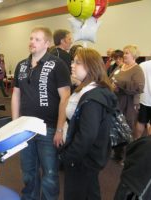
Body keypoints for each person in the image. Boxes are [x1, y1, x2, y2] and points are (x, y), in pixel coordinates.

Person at [11, 27, 71, 200]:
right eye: (31, 38)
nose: (32, 42)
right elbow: (16, 94)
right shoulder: (21, 65)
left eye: (37, 39)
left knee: (50, 173)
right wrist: (15, 124)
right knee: (28, 171)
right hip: (25, 128)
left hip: (49, 128)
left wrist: (60, 129)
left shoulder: (57, 65)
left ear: (47, 43)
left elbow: (65, 97)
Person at [59, 48, 117, 200]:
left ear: (91, 67)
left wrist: (68, 156)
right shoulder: (86, 90)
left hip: (84, 158)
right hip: (83, 156)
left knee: (81, 193)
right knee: (89, 192)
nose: (72, 65)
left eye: (77, 62)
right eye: (73, 61)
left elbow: (87, 135)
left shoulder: (93, 97)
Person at [110, 45, 145, 163]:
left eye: (127, 53)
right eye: (124, 52)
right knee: (116, 126)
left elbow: (138, 87)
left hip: (128, 104)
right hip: (116, 101)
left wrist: (119, 85)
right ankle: (117, 153)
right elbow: (111, 79)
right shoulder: (120, 67)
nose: (124, 55)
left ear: (134, 55)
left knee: (126, 129)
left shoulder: (137, 69)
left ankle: (127, 157)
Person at [134, 59, 151, 139]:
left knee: (141, 122)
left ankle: (137, 142)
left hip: (143, 98)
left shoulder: (142, 65)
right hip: (144, 99)